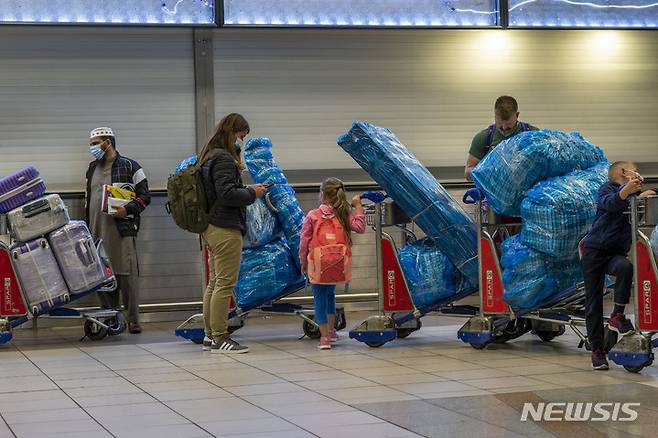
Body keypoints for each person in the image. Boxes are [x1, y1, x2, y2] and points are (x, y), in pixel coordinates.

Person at [198, 113, 267, 354]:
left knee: (215, 283)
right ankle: (219, 337)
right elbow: (227, 194)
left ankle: (209, 335)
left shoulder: (207, 155)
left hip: (209, 226)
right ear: (231, 132)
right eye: (240, 136)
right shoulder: (223, 159)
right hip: (224, 227)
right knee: (225, 284)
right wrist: (252, 193)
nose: (241, 142)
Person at [581, 161, 648, 370]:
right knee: (593, 301)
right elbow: (610, 203)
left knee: (625, 268)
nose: (637, 172)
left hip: (615, 253)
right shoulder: (607, 189)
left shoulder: (633, 196)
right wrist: (626, 190)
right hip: (594, 252)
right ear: (623, 172)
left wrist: (644, 195)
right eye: (633, 168)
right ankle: (597, 350)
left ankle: (617, 315)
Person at [85, 127, 150, 334]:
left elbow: (145, 197)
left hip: (122, 230)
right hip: (96, 231)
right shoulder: (91, 168)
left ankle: (133, 320)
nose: (93, 148)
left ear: (108, 143)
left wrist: (127, 209)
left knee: (126, 274)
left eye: (96, 143)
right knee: (103, 276)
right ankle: (110, 316)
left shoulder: (131, 166)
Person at [299, 178, 366, 350]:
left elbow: (304, 242)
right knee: (330, 295)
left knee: (319, 298)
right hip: (337, 264)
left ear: (322, 194)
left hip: (318, 264)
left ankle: (324, 339)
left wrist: (303, 262)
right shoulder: (343, 213)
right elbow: (360, 227)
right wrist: (358, 206)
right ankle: (331, 331)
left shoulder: (313, 215)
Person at [465, 96, 538, 181]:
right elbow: (468, 173)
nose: (504, 127)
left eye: (509, 124)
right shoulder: (483, 138)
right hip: (491, 192)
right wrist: (487, 172)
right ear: (495, 115)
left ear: (517, 115)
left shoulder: (533, 135)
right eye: (500, 123)